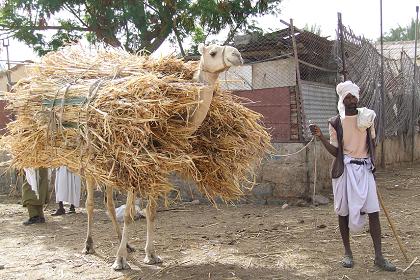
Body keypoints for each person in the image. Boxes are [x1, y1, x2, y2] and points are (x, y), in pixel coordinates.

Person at [309, 81, 396, 272]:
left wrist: (372, 164)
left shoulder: (367, 117)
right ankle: (347, 253)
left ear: (357, 98)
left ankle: (379, 257)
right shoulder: (335, 122)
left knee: (373, 212)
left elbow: (373, 144)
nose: (351, 100)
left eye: (353, 97)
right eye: (347, 97)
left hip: (364, 169)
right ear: (342, 99)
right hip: (344, 170)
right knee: (343, 211)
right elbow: (336, 152)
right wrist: (321, 137)